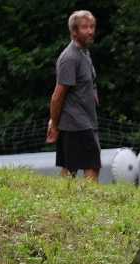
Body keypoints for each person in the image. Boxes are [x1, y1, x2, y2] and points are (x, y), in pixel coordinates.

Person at [46, 10, 100, 180]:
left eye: (92, 26)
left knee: (69, 170)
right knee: (92, 167)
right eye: (85, 27)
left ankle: (61, 196)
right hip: (76, 123)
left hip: (84, 121)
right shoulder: (70, 58)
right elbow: (57, 96)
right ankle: (91, 197)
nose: (90, 31)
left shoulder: (85, 52)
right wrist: (54, 124)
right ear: (74, 31)